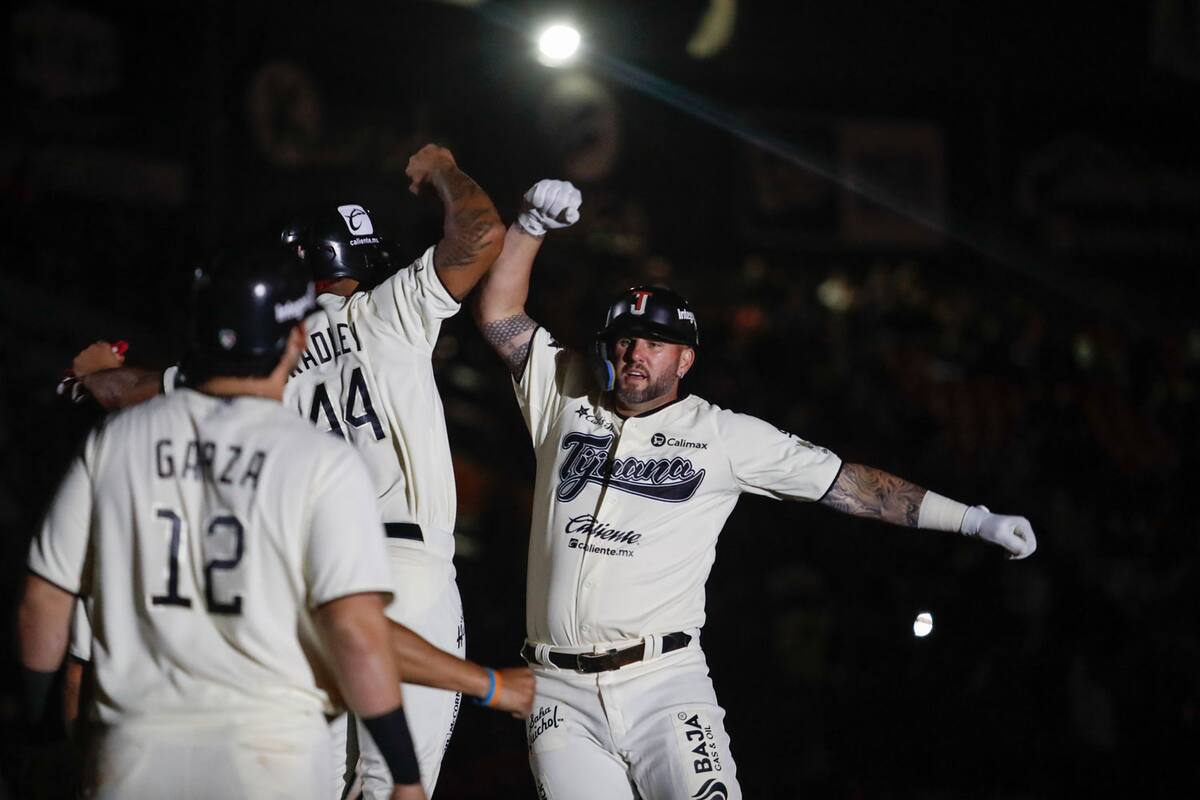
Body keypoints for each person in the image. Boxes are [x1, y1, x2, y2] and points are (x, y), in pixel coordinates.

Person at [472, 180, 1038, 800]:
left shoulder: (723, 435)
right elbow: (500, 315)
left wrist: (974, 520)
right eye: (624, 340)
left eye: (655, 345)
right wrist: (529, 226)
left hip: (663, 683)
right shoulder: (566, 390)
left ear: (685, 360)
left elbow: (852, 485)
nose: (636, 354)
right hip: (557, 692)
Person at [55, 143, 532, 798]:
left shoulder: (270, 350)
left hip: (317, 587)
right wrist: (442, 171)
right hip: (410, 572)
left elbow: (137, 389)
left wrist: (93, 374)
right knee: (394, 785)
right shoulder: (391, 309)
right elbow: (481, 233)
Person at [19, 248, 426, 800]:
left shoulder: (119, 442)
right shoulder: (321, 462)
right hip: (269, 758)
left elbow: (44, 600)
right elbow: (355, 629)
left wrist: (43, 733)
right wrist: (402, 770)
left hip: (140, 756)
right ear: (297, 339)